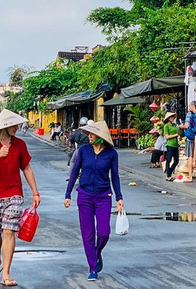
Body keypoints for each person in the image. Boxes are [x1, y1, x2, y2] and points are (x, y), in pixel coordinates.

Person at [0, 109, 41, 287]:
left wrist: (35, 192)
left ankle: (6, 272)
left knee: (9, 231)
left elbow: (27, 169)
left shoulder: (20, 145)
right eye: (14, 125)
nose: (17, 128)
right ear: (5, 127)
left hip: (14, 193)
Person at [65, 121, 124, 282]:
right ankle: (92, 267)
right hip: (84, 196)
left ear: (100, 137)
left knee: (104, 232)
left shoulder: (112, 154)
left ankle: (96, 254)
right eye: (88, 134)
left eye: (92, 134)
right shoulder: (83, 151)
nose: (88, 137)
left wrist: (119, 198)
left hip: (103, 196)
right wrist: (68, 194)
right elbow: (74, 172)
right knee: (88, 234)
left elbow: (115, 177)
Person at [163, 112, 180, 181]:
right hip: (170, 145)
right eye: (171, 117)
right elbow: (167, 137)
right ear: (168, 118)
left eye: (173, 117)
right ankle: (168, 175)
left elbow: (178, 131)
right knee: (168, 160)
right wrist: (176, 135)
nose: (172, 118)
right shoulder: (166, 126)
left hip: (176, 144)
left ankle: (169, 172)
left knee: (176, 161)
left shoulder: (174, 125)